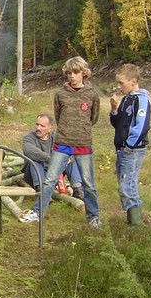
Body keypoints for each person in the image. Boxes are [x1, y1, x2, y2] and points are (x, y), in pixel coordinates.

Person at [20, 56, 101, 227]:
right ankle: (37, 212)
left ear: (83, 73)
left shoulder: (92, 95)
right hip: (62, 144)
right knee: (49, 180)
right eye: (69, 73)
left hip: (83, 144)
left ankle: (93, 216)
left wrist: (80, 130)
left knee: (89, 183)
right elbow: (58, 117)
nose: (72, 76)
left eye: (76, 72)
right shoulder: (60, 94)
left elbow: (93, 118)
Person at [109, 63, 151, 226]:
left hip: (132, 150)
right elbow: (117, 123)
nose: (118, 86)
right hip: (121, 148)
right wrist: (114, 109)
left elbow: (141, 126)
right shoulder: (127, 99)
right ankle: (133, 220)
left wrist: (129, 146)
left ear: (133, 81)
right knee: (125, 184)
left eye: (121, 83)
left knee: (127, 186)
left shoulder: (141, 100)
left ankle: (135, 225)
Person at [22, 113, 84, 199]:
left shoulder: (56, 138)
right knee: (35, 160)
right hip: (34, 174)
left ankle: (77, 188)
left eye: (42, 126)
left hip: (52, 173)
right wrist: (52, 159)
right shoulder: (28, 138)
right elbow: (29, 151)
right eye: (37, 124)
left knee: (71, 161)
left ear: (50, 128)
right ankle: (41, 190)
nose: (38, 128)